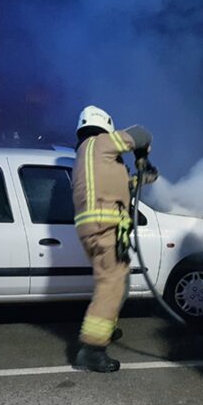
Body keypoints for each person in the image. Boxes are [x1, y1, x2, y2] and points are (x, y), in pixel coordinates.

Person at [71, 105, 158, 372]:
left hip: (101, 228)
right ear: (105, 126)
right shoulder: (100, 143)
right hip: (105, 228)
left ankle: (105, 327)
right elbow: (142, 133)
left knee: (118, 281)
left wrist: (138, 180)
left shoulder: (89, 156)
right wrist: (142, 156)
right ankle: (92, 350)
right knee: (110, 285)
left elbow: (112, 189)